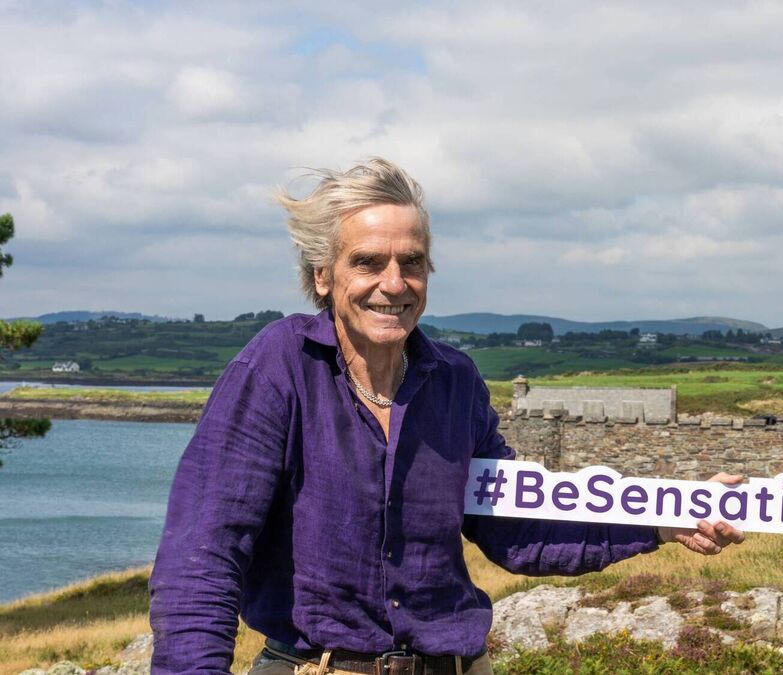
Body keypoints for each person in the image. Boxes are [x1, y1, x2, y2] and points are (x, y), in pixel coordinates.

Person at [148, 158, 745, 674]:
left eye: (412, 262)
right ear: (323, 276)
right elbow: (203, 558)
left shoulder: (455, 381)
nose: (394, 284)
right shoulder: (277, 367)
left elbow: (516, 530)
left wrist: (664, 519)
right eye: (368, 262)